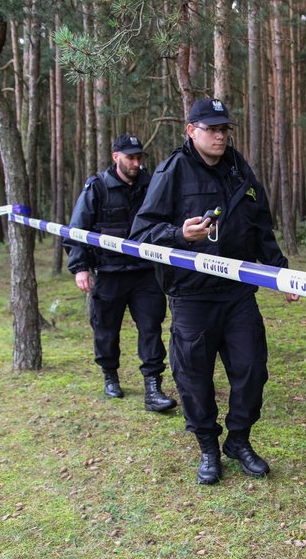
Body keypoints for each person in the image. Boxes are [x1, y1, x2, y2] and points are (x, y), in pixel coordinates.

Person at [130, 98, 298, 485]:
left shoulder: (239, 169)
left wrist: (280, 272)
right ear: (191, 130)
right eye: (212, 128)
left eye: (225, 129)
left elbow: (260, 225)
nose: (221, 135)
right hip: (191, 296)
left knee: (252, 370)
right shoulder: (172, 170)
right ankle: (208, 446)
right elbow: (141, 234)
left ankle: (239, 440)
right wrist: (179, 235)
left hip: (237, 293)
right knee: (194, 378)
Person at [65, 133, 176, 413]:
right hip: (109, 272)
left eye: (139, 157)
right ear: (116, 157)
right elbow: (77, 228)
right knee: (105, 329)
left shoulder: (152, 185)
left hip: (146, 273)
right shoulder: (97, 187)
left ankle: (153, 386)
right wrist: (80, 267)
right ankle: (110, 375)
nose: (136, 163)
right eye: (130, 157)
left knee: (151, 328)